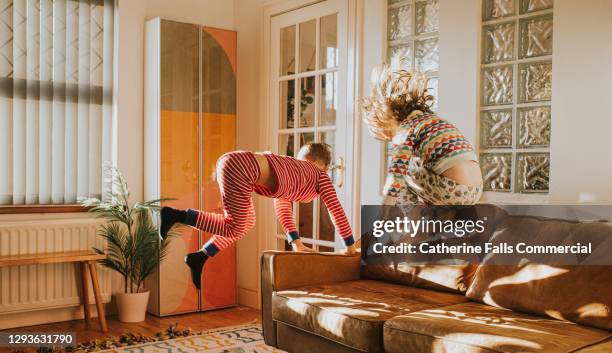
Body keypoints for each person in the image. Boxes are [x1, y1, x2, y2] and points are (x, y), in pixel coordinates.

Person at [159, 143, 356, 289]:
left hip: (234, 162)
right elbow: (335, 209)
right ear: (324, 167)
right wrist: (349, 245)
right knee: (235, 225)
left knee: (246, 222)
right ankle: (176, 215)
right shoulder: (319, 175)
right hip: (242, 167)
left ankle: (200, 256)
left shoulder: (293, 170)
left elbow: (282, 207)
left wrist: (295, 241)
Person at [361, 64, 483, 206]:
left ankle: (409, 222)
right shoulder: (431, 120)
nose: (391, 138)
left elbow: (396, 175)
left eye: (388, 133)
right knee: (421, 165)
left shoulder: (406, 128)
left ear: (389, 115)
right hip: (476, 190)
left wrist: (384, 210)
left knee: (404, 169)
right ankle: (432, 214)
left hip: (453, 190)